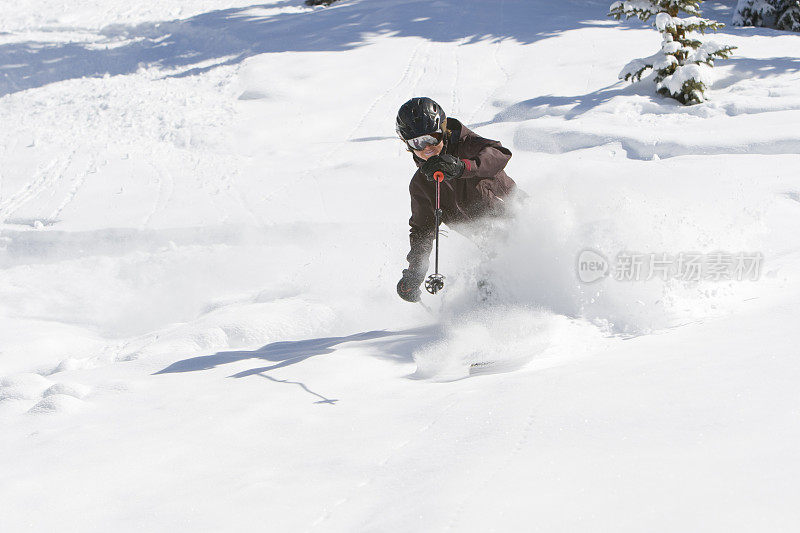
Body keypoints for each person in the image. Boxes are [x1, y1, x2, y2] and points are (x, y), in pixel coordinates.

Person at [395, 97, 520, 303]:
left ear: (443, 130)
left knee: (503, 284)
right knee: (487, 294)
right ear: (408, 145)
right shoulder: (421, 185)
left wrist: (463, 167)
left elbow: (500, 154)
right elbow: (422, 230)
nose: (427, 147)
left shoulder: (465, 146)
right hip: (492, 249)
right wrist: (415, 272)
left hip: (524, 226)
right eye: (417, 142)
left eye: (432, 138)